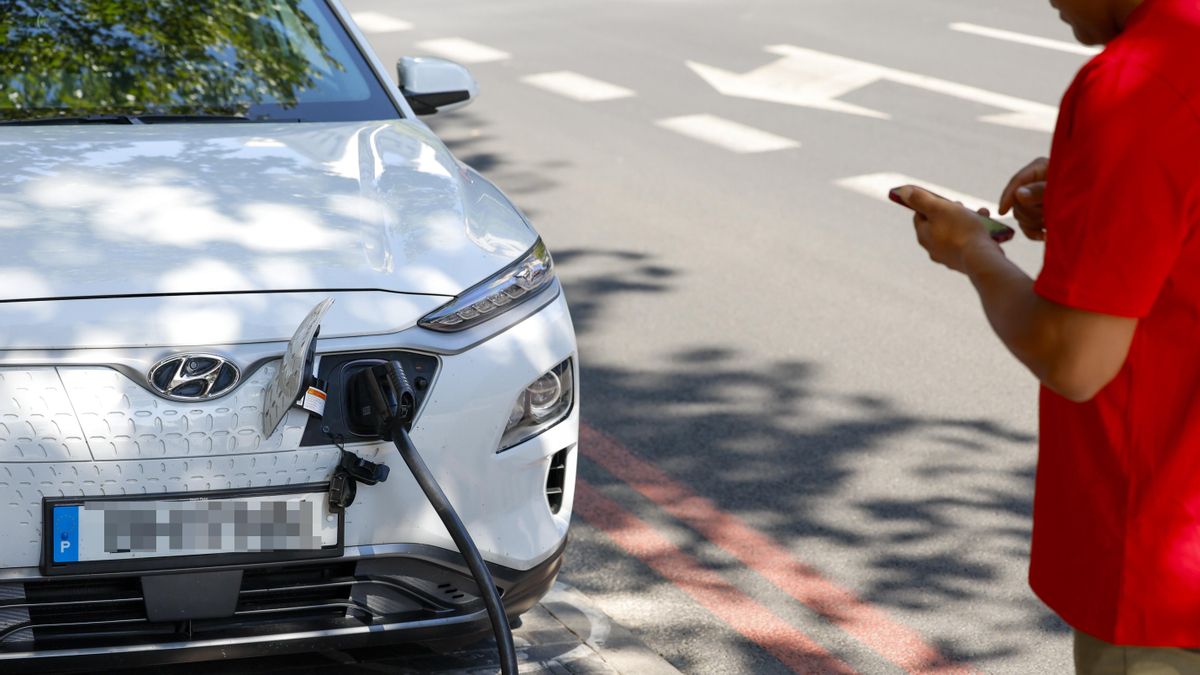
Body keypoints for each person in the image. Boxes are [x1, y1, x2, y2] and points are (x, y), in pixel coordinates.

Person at [890, 0, 1200, 673]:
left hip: (1163, 580)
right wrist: (1098, 194)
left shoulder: (1138, 81)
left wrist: (974, 252)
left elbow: (1076, 357)